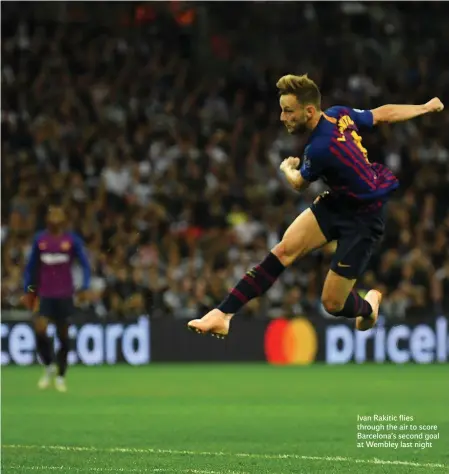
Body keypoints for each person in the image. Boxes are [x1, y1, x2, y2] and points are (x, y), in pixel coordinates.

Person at [188, 74, 444, 338]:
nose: (282, 118)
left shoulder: (319, 148)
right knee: (284, 251)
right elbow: (381, 114)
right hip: (338, 202)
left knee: (332, 304)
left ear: (309, 111)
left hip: (364, 219)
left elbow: (299, 183)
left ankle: (368, 307)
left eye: (288, 111)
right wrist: (424, 108)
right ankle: (222, 314)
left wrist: (287, 168)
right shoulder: (338, 114)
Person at [22, 205, 91, 392]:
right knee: (40, 328)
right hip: (45, 293)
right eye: (52, 214)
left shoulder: (71, 240)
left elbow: (85, 264)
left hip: (64, 294)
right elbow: (30, 267)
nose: (55, 217)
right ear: (47, 219)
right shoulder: (40, 239)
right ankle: (48, 365)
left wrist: (85, 285)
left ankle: (61, 375)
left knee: (63, 336)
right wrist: (27, 289)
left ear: (63, 219)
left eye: (58, 214)